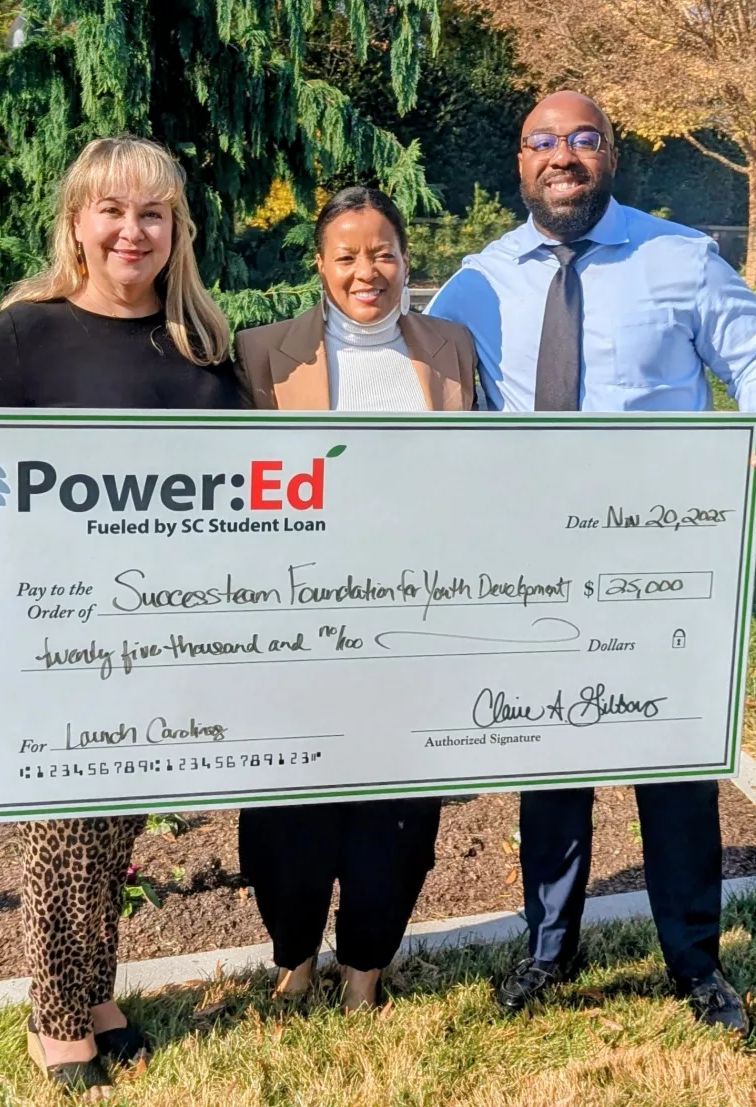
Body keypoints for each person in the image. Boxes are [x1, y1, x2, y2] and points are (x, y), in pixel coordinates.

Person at [426, 91, 756, 1036]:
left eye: (583, 139)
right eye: (543, 141)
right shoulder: (474, 285)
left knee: (673, 768)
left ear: (611, 155)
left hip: (660, 563)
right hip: (533, 567)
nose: (563, 155)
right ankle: (548, 948)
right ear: (521, 162)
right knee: (549, 762)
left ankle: (695, 958)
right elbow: (418, 386)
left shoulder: (680, 259)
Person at [0, 135, 242, 1098]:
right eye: (112, 210)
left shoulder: (202, 346)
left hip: (162, 632)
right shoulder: (25, 335)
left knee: (114, 825)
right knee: (64, 824)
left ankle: (93, 994)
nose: (131, 231)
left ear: (176, 230)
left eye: (153, 213)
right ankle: (56, 1023)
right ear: (78, 223)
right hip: (54, 638)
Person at [235, 186, 476, 1011]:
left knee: (397, 808)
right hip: (294, 622)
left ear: (406, 259)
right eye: (347, 255)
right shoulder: (262, 354)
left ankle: (366, 969)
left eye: (383, 253)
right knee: (286, 809)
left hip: (416, 621)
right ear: (321, 265)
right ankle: (294, 958)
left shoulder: (451, 348)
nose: (366, 271)